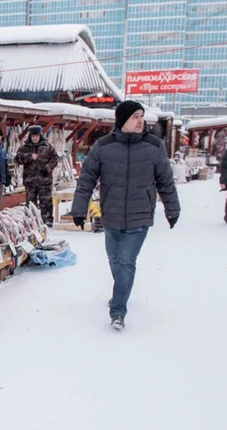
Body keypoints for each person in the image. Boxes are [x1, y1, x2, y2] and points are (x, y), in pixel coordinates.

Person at [71, 101, 180, 331]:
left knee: (126, 261)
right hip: (111, 215)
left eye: (141, 116)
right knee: (114, 260)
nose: (140, 120)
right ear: (122, 120)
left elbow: (166, 182)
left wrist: (173, 209)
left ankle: (118, 310)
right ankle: (121, 289)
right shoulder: (103, 146)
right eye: (134, 116)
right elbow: (86, 180)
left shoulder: (154, 146)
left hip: (140, 216)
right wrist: (79, 209)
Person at [15, 126, 59, 226]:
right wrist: (29, 157)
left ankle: (47, 220)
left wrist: (48, 168)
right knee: (30, 202)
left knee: (46, 201)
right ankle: (31, 221)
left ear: (40, 135)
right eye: (33, 136)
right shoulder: (24, 147)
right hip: (30, 181)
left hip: (45, 180)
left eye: (36, 135)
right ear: (30, 136)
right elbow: (17, 159)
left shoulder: (47, 146)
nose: (35, 138)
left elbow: (55, 159)